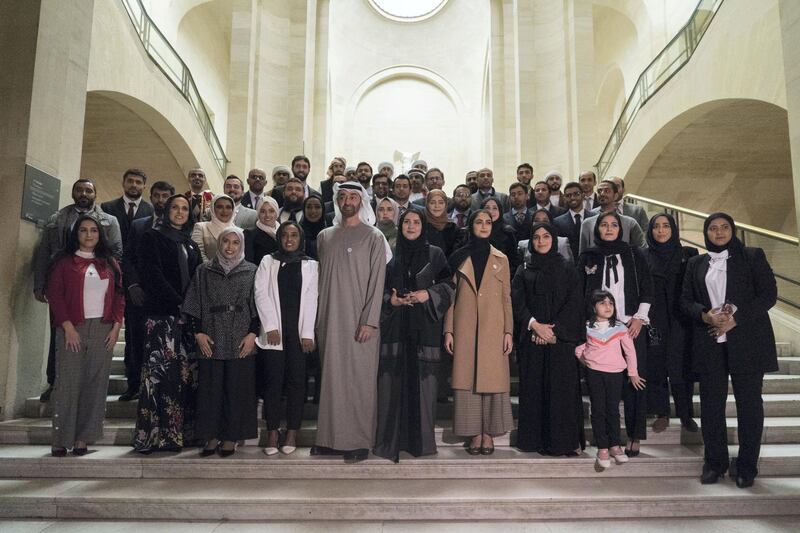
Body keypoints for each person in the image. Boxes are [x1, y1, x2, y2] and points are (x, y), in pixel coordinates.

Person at [680, 213, 778, 488]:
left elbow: (768, 294)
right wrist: (705, 315)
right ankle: (715, 463)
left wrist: (735, 319)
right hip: (709, 342)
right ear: (705, 232)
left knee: (749, 407)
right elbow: (685, 301)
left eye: (724, 227)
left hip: (747, 342)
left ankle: (747, 467)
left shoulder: (752, 255)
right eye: (713, 228)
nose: (719, 232)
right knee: (711, 407)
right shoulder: (696, 263)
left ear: (733, 231)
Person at [313, 182, 388, 462]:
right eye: (342, 196)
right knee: (331, 379)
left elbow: (377, 282)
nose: (347, 201)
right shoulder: (324, 236)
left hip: (361, 320)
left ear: (362, 201)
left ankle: (358, 440)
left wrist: (370, 321)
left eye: (353, 197)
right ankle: (329, 439)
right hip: (329, 319)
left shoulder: (374, 237)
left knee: (360, 380)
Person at [33, 178, 123, 403]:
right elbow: (44, 252)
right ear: (73, 193)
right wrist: (40, 283)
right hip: (64, 285)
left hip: (97, 284)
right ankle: (55, 382)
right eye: (79, 190)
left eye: (88, 190)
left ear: (95, 194)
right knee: (59, 336)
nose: (84, 193)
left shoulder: (109, 221)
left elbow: (117, 251)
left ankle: (84, 387)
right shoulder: (57, 218)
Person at [375, 210, 453, 462]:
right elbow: (379, 289)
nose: (411, 226)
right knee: (392, 388)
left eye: (416, 222)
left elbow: (450, 286)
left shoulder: (436, 254)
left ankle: (421, 444)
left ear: (423, 225)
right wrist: (392, 300)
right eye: (406, 222)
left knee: (423, 390)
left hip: (424, 330)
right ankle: (391, 442)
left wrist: (427, 294)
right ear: (400, 226)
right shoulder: (390, 255)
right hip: (395, 329)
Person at [46, 215, 125, 456]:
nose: (89, 235)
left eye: (93, 230)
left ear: (100, 235)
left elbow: (120, 294)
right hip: (72, 328)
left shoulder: (109, 262)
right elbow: (55, 295)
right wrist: (67, 327)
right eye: (83, 230)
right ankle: (61, 438)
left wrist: (116, 327)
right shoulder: (63, 262)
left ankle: (83, 438)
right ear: (76, 234)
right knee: (68, 384)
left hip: (103, 328)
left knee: (96, 383)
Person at [578, 211, 653, 457]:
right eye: (604, 225)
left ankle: (634, 435)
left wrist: (640, 318)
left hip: (631, 325)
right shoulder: (588, 255)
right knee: (602, 388)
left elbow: (647, 287)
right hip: (600, 329)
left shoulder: (634, 254)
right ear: (596, 229)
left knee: (635, 380)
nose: (609, 229)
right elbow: (580, 291)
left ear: (621, 229)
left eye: (614, 225)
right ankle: (605, 439)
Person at [182, 226, 259, 457]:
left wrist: (253, 335)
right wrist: (198, 333)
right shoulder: (204, 270)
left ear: (242, 245)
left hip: (240, 336)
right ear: (219, 243)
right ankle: (211, 435)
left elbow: (259, 305)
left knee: (237, 389)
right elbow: (193, 303)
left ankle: (230, 436)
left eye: (235, 242)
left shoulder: (252, 271)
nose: (230, 247)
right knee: (210, 390)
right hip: (212, 335)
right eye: (226, 241)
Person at [133, 194, 202, 453]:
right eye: (175, 207)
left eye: (185, 208)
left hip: (186, 321)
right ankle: (155, 437)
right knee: (160, 378)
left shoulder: (190, 244)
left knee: (183, 378)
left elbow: (197, 279)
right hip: (162, 317)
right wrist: (179, 304)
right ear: (166, 210)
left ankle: (181, 434)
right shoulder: (152, 237)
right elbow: (152, 275)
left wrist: (192, 307)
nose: (180, 212)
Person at [444, 210, 514, 455]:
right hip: (465, 325)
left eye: (487, 222)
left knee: (492, 378)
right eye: (478, 222)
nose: (483, 226)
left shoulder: (502, 258)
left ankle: (489, 433)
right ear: (470, 225)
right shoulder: (458, 257)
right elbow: (450, 297)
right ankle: (474, 433)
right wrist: (449, 330)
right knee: (467, 378)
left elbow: (507, 298)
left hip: (494, 326)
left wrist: (508, 331)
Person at [512, 223, 585, 456]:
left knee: (561, 393)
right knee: (534, 390)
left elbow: (575, 303)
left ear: (554, 240)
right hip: (532, 340)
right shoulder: (524, 270)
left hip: (560, 342)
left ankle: (561, 443)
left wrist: (554, 331)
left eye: (546, 237)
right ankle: (534, 441)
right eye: (536, 237)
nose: (541, 241)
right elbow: (516, 303)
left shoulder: (568, 269)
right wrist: (535, 326)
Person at [256, 222, 319, 456]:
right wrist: (270, 326)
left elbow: (312, 299)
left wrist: (307, 333)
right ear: (279, 237)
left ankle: (292, 431)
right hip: (274, 334)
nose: (289, 239)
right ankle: (273, 432)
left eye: (294, 235)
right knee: (273, 383)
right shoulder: (267, 261)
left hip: (299, 334)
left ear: (301, 238)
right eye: (285, 235)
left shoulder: (311, 265)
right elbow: (260, 294)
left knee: (297, 384)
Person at [576, 290, 645, 469]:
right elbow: (579, 348)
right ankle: (602, 447)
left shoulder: (620, 327)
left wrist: (633, 373)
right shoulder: (587, 327)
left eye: (611, 303)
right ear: (593, 307)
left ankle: (615, 445)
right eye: (602, 303)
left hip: (615, 374)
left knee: (612, 410)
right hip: (594, 374)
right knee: (598, 410)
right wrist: (588, 362)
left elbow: (630, 351)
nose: (608, 307)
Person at [120, 180, 175, 401]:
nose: (161, 200)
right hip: (139, 294)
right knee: (135, 341)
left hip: (165, 296)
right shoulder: (139, 225)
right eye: (157, 196)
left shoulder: (179, 226)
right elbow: (128, 258)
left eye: (165, 196)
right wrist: (132, 284)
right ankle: (133, 385)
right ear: (150, 198)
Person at [643, 214, 699, 433]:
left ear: (673, 229)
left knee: (681, 367)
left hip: (681, 318)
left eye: (666, 226)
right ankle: (662, 412)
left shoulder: (689, 254)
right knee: (656, 366)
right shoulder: (642, 254)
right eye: (656, 226)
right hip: (653, 318)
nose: (661, 230)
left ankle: (686, 415)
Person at [579, 180, 646, 253]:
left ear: (615, 196)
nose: (602, 194)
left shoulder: (630, 222)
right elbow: (582, 253)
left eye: (607, 191)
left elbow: (643, 248)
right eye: (599, 191)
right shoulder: (587, 223)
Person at [100, 168, 154, 244]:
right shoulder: (107, 207)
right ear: (123, 183)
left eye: (138, 182)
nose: (134, 185)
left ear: (144, 186)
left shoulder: (151, 210)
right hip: (112, 254)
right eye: (130, 181)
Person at [553, 181, 591, 260]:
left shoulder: (594, 218)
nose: (572, 197)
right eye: (568, 195)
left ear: (583, 195)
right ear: (564, 198)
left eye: (576, 194)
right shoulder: (557, 222)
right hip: (568, 265)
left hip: (592, 263)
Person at [192, 195, 235, 261]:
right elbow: (198, 253)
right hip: (206, 270)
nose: (224, 211)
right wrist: (211, 270)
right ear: (212, 208)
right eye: (220, 207)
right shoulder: (201, 227)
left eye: (228, 207)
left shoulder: (239, 231)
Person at [244, 195, 280, 265]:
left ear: (277, 213)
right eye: (263, 211)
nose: (267, 215)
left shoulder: (283, 232)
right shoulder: (250, 234)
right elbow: (249, 262)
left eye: (271, 211)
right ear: (258, 214)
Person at [424, 189, 458, 257]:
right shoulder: (421, 227)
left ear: (446, 204)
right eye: (432, 202)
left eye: (441, 202)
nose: (437, 206)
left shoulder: (453, 227)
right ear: (427, 204)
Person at [299, 194, 327, 260]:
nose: (313, 211)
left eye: (317, 207)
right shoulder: (298, 232)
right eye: (308, 207)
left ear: (323, 209)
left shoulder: (331, 230)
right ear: (304, 210)